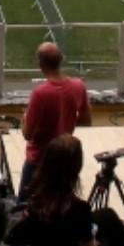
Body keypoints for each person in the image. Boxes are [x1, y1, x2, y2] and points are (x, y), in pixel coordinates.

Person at [19, 41, 91, 199]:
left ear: (40, 64)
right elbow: (86, 120)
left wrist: (24, 119)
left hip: (39, 161)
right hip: (65, 159)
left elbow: (27, 135)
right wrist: (66, 120)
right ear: (61, 60)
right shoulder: (79, 86)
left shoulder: (40, 94)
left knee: (23, 208)